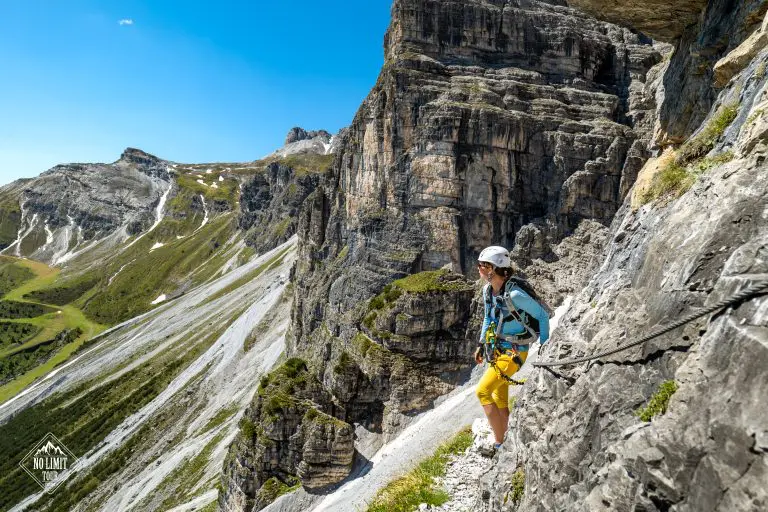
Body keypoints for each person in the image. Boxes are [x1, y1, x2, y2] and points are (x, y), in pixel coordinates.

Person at [474, 245, 550, 449]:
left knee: (482, 391)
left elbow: (542, 316)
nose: (479, 269)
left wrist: (545, 347)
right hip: (498, 349)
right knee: (499, 396)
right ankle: (508, 439)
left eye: (482, 266)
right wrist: (482, 344)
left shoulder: (515, 295)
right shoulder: (487, 291)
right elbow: (488, 319)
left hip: (515, 352)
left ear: (493, 268)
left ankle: (499, 444)